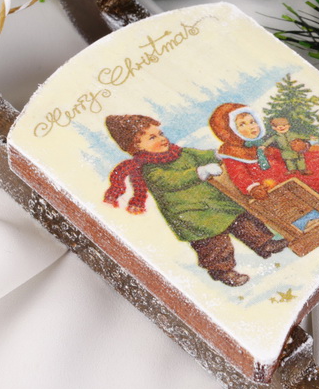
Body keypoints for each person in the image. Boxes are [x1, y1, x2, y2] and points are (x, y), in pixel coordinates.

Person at [102, 114, 287, 287]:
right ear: (135, 147)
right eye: (152, 138)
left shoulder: (180, 153)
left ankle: (264, 243)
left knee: (243, 220)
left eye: (160, 133)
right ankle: (223, 271)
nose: (161, 139)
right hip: (192, 214)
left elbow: (202, 155)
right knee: (214, 244)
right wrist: (200, 172)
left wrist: (220, 154)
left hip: (215, 202)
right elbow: (172, 180)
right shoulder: (150, 169)